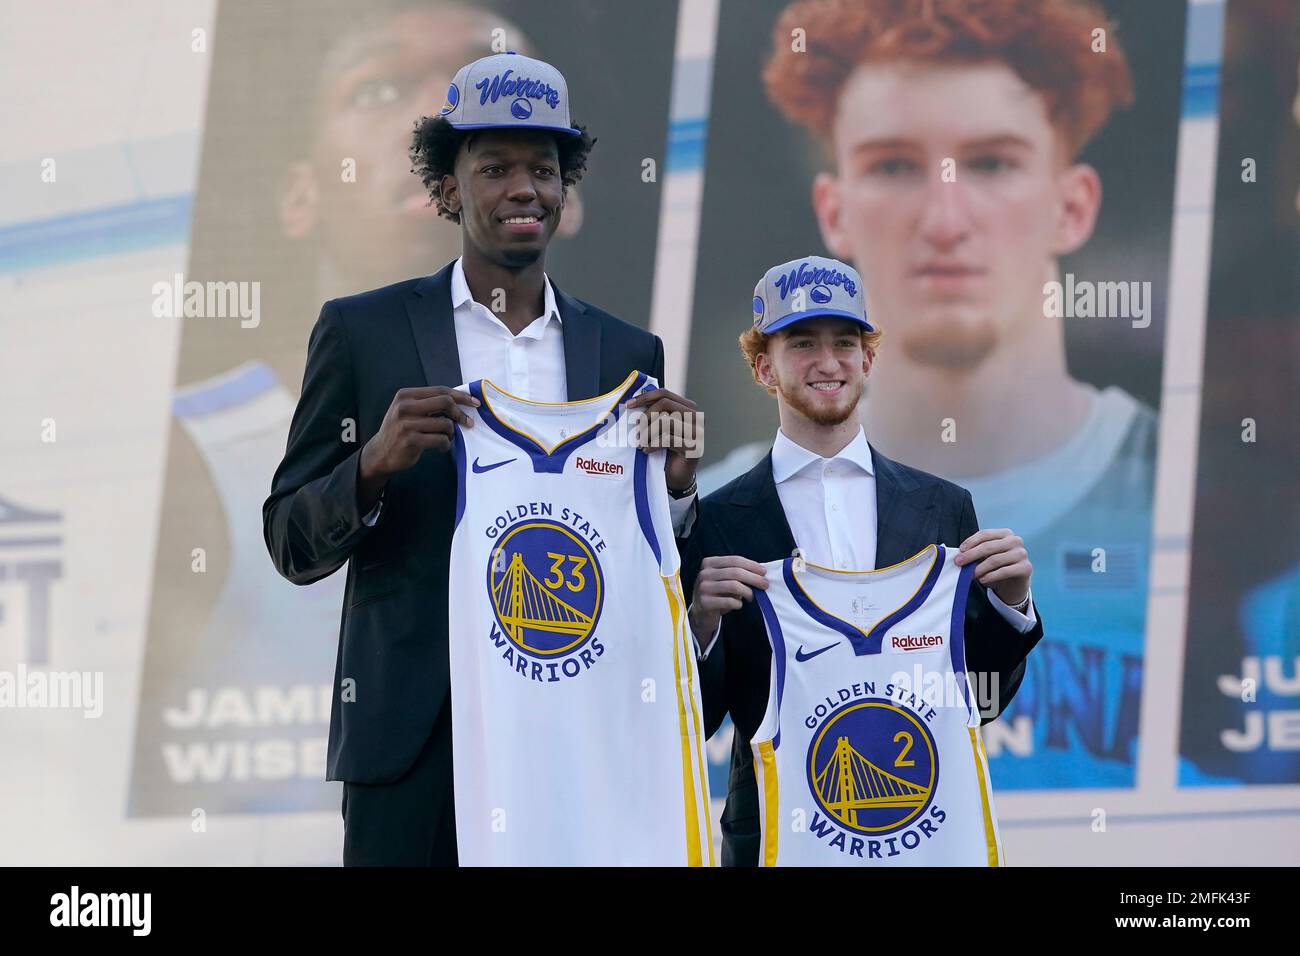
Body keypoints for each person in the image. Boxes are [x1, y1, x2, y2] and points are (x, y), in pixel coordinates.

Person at [263, 52, 702, 865]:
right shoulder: (365, 332)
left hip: (574, 738)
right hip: (416, 744)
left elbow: (652, 566)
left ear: (566, 193)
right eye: (494, 167)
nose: (523, 188)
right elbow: (289, 538)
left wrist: (676, 489)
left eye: (544, 168)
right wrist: (370, 470)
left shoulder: (626, 352)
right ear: (447, 190)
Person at [750, 0, 1151, 788]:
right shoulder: (731, 514)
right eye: (895, 166)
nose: (944, 219)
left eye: (993, 162)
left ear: (1075, 205)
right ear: (833, 209)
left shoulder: (1206, 489)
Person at [682, 255, 1043, 866]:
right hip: (772, 834)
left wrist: (1013, 607)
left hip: (921, 829)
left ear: (869, 360)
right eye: (802, 344)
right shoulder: (715, 522)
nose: (828, 363)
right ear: (763, 367)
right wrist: (699, 629)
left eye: (845, 343)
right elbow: (703, 720)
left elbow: (979, 702)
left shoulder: (943, 507)